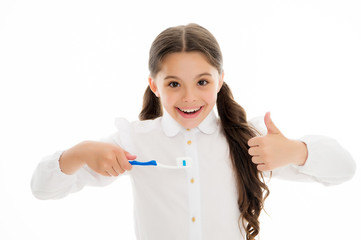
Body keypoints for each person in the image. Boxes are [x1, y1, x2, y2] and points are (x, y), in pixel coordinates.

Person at [31, 23, 356, 240]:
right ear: (154, 86)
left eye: (202, 82)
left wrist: (298, 151)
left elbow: (344, 169)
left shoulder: (248, 139)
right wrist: (79, 153)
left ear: (220, 80)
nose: (189, 97)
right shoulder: (134, 141)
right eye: (174, 84)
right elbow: (42, 190)